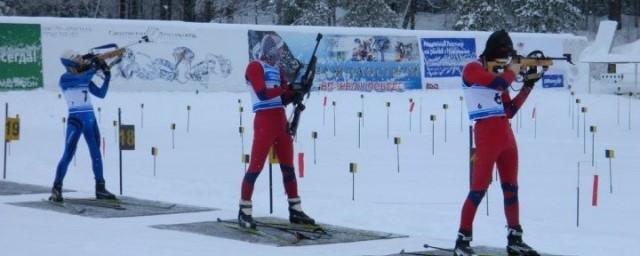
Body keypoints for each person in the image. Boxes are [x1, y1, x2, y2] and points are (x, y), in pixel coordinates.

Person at [454, 30, 541, 256]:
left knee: (511, 188)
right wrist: (513, 69)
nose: (504, 61)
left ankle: (515, 238)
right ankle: (462, 241)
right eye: (502, 56)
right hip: (486, 133)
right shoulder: (472, 68)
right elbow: (500, 84)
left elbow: (509, 110)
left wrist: (528, 86)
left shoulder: (498, 72)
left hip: (505, 132)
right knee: (478, 189)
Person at [238, 34, 315, 229]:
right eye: (278, 50)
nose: (280, 53)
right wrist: (287, 89)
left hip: (279, 120)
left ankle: (295, 209)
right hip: (264, 121)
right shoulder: (255, 66)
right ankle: (244, 211)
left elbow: (283, 99)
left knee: (288, 167)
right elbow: (263, 94)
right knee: (255, 167)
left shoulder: (278, 69)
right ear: (270, 50)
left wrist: (298, 91)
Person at [49, 50, 116, 202]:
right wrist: (95, 65)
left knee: (96, 154)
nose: (81, 60)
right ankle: (56, 188)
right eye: (78, 58)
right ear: (71, 63)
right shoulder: (66, 78)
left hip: (90, 119)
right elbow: (84, 76)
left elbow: (101, 94)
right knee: (68, 154)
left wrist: (107, 76)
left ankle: (100, 188)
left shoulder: (84, 77)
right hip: (77, 120)